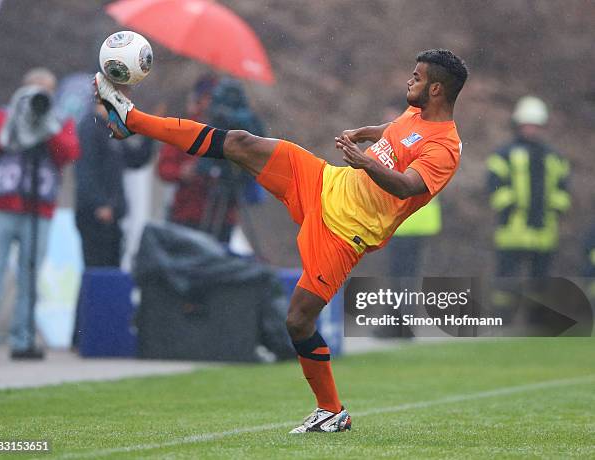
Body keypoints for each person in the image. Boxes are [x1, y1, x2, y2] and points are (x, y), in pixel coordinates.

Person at [95, 48, 468, 433]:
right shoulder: (417, 113)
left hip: (345, 233)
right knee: (241, 142)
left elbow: (408, 186)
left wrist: (365, 160)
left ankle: (331, 410)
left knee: (298, 321)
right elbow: (397, 131)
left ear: (436, 89)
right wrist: (365, 134)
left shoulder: (445, 148)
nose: (410, 80)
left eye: (418, 77)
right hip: (325, 182)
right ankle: (131, 120)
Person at [0, 68, 80, 360]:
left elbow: (70, 152)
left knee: (30, 277)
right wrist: (18, 116)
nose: (40, 96)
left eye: (46, 90)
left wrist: (46, 125)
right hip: (1, 206)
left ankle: (22, 339)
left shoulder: (60, 120)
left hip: (40, 209)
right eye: (34, 89)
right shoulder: (5, 114)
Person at [158, 76, 264, 243]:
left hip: (224, 216)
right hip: (188, 214)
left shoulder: (233, 131)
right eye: (208, 98)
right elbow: (164, 168)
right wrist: (182, 172)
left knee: (218, 262)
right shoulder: (185, 127)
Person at [487, 96, 570, 277]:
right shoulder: (504, 154)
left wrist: (555, 209)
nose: (531, 130)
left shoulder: (553, 156)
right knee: (506, 284)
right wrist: (509, 207)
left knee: (539, 286)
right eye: (527, 125)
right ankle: (503, 307)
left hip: (544, 234)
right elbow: (494, 185)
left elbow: (563, 188)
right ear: (518, 124)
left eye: (536, 125)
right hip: (512, 233)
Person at [74, 99, 155, 267]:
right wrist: (99, 204)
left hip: (113, 215)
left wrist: (151, 132)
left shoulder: (111, 130)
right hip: (95, 215)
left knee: (112, 271)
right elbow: (85, 170)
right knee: (96, 270)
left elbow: (135, 159)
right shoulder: (89, 127)